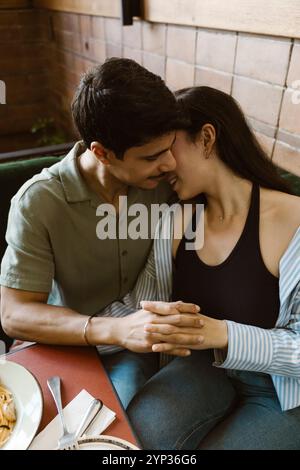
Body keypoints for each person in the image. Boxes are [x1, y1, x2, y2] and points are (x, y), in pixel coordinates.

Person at [0, 59, 202, 408]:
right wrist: (115, 329)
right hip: (66, 344)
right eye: (152, 156)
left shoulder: (166, 182)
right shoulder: (39, 202)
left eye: (170, 148)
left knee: (122, 422)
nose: (169, 163)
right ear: (102, 153)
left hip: (139, 349)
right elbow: (14, 314)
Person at [109, 86, 300, 449]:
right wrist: (64, 328)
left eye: (170, 147)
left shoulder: (295, 221)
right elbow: (140, 307)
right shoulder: (175, 221)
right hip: (201, 367)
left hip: (280, 390)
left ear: (207, 138)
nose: (163, 164)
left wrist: (222, 334)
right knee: (130, 442)